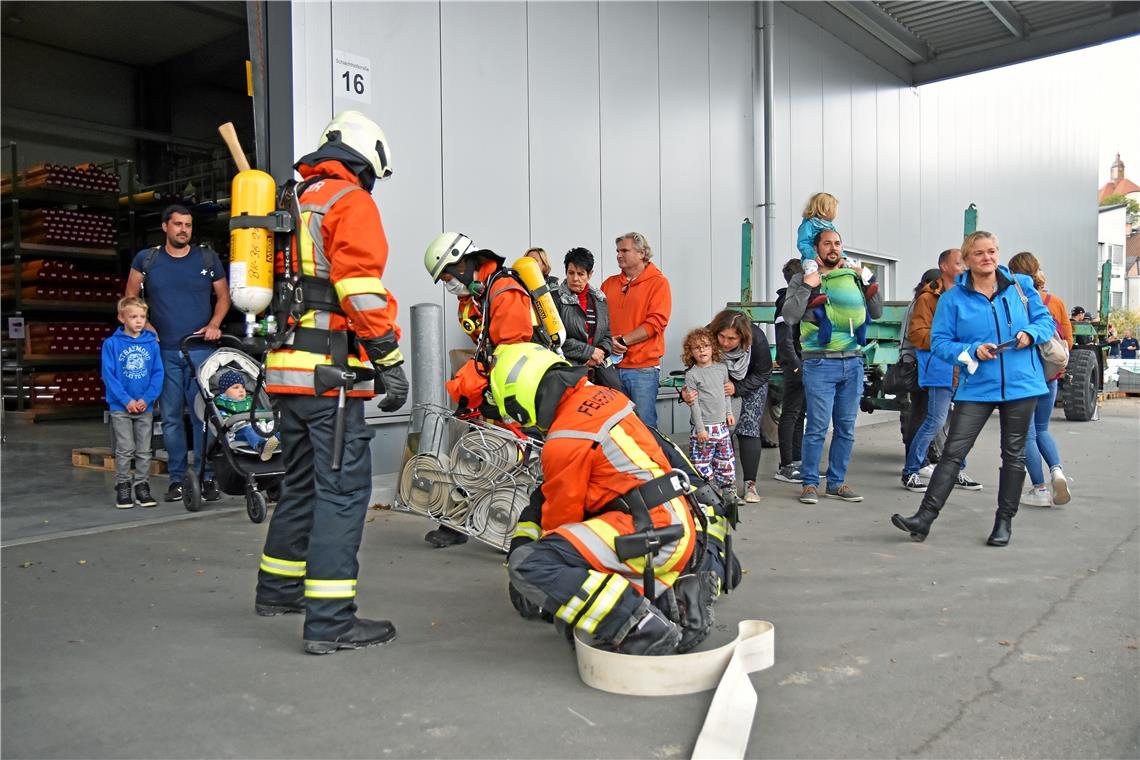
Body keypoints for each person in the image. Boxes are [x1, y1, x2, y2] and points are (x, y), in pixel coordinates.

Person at [256, 111, 409, 655]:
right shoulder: (349, 201)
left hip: (283, 374)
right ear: (366, 161)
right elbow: (360, 288)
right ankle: (330, 622)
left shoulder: (289, 201)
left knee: (298, 484)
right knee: (342, 495)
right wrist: (389, 359)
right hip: (330, 379)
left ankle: (277, 589)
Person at [493, 343, 716, 656]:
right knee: (577, 592)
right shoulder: (606, 397)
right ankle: (671, 604)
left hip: (649, 529)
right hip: (677, 522)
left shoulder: (565, 439)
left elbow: (561, 524)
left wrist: (542, 586)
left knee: (531, 564)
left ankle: (639, 628)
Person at [891, 231, 1056, 547]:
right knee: (953, 452)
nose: (987, 257)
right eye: (979, 253)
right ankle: (924, 518)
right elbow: (939, 342)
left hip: (1022, 384)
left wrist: (1030, 334)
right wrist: (969, 351)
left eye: (992, 251)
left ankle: (1003, 522)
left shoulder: (1020, 285)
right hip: (977, 385)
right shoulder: (953, 298)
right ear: (966, 260)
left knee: (1013, 455)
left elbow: (1045, 321)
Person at [423, 232, 544, 548]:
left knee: (511, 460)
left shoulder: (505, 291)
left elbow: (513, 351)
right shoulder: (481, 296)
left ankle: (516, 531)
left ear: (463, 263)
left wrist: (488, 394)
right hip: (499, 391)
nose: (448, 283)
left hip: (518, 394)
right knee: (478, 453)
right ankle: (460, 523)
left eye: (448, 275)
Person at [124, 204, 229, 503]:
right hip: (164, 351)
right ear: (165, 227)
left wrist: (214, 324)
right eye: (178, 224)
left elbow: (223, 296)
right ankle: (178, 480)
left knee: (203, 417)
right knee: (170, 418)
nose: (184, 230)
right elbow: (130, 297)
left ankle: (207, 478)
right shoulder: (148, 259)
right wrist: (147, 327)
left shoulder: (207, 258)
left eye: (188, 225)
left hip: (201, 352)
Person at [782, 229, 882, 504]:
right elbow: (789, 316)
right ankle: (810, 483)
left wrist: (868, 279)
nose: (833, 248)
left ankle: (836, 483)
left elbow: (876, 312)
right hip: (820, 362)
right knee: (816, 426)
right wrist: (807, 285)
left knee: (846, 428)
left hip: (853, 362)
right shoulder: (803, 278)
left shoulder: (853, 276)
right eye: (827, 244)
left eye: (837, 243)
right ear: (816, 249)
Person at [900, 249, 982, 493]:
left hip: (965, 370)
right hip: (940, 369)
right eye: (959, 263)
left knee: (961, 426)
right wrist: (948, 344)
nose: (964, 268)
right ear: (944, 267)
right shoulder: (927, 299)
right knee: (934, 422)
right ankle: (911, 471)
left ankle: (956, 470)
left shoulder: (966, 296)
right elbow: (917, 334)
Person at [1008, 252, 1073, 507]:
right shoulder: (1054, 301)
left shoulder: (1012, 300)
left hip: (1025, 376)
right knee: (1043, 429)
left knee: (1027, 434)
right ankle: (1057, 470)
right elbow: (1066, 340)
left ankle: (1040, 489)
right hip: (1050, 375)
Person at [601, 232, 672, 429]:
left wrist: (622, 342)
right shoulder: (609, 284)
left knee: (644, 426)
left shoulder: (659, 283)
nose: (618, 255)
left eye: (624, 250)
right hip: (610, 368)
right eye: (617, 251)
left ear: (642, 253)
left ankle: (651, 461)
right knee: (614, 426)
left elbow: (656, 323)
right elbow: (598, 321)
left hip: (643, 369)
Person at [101, 296, 164, 509]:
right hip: (121, 407)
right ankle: (123, 485)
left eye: (142, 317)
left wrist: (146, 399)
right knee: (125, 448)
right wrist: (126, 400)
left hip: (144, 407)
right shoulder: (112, 344)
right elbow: (109, 376)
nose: (138, 321)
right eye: (133, 317)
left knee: (144, 450)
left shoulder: (152, 344)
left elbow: (158, 374)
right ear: (121, 318)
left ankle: (142, 486)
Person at [681, 328, 736, 503]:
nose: (702, 350)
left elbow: (726, 392)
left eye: (705, 346)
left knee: (725, 458)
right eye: (696, 348)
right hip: (704, 428)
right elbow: (694, 404)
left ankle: (728, 489)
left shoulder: (721, 369)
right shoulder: (692, 375)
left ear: (713, 348)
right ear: (691, 352)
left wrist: (729, 413)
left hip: (722, 426)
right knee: (702, 461)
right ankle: (710, 491)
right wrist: (700, 429)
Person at [554, 247, 619, 389]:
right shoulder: (554, 300)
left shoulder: (599, 300)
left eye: (580, 274)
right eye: (571, 273)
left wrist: (600, 352)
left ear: (590, 275)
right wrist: (589, 353)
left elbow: (607, 336)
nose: (575, 278)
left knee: (619, 398)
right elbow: (554, 340)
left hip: (599, 365)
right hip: (568, 368)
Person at [773, 259, 805, 484]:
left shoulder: (793, 300)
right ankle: (786, 465)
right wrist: (795, 364)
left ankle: (797, 461)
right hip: (795, 363)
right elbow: (785, 338)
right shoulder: (787, 301)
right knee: (791, 413)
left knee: (799, 413)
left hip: (799, 361)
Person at [213, 369, 281, 461]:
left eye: (243, 387)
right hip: (240, 430)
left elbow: (258, 411)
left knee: (276, 424)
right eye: (236, 387)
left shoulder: (249, 401)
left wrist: (266, 417)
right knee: (249, 430)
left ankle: (278, 438)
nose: (241, 390)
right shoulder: (223, 404)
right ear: (224, 392)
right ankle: (262, 447)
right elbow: (224, 421)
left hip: (258, 425)